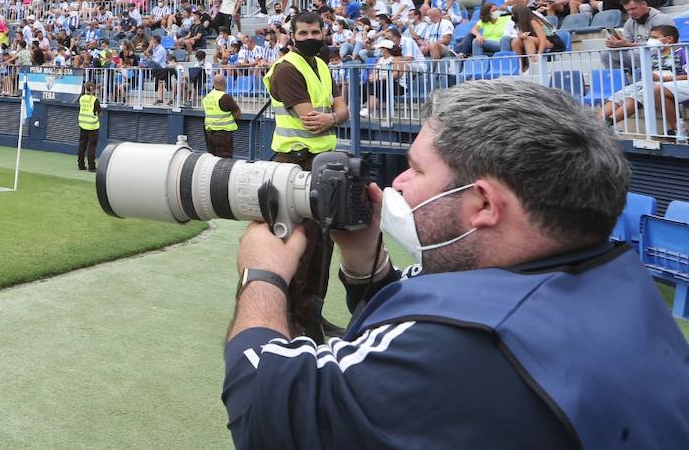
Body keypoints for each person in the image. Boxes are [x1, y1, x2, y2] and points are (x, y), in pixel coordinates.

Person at [223, 78, 689, 449]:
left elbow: (269, 408)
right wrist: (363, 259)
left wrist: (262, 275)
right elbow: (433, 307)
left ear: (484, 204)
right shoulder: (612, 278)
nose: (400, 181)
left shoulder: (465, 346)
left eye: (417, 168)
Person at [261, 11, 348, 342]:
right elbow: (311, 119)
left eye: (316, 32)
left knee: (322, 243)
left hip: (321, 163)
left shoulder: (322, 66)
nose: (311, 37)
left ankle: (312, 317)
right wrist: (334, 116)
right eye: (305, 32)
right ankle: (293, 322)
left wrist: (333, 116)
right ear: (292, 35)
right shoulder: (286, 70)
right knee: (302, 244)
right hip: (296, 164)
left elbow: (342, 110)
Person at [201, 73, 241, 159]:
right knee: (224, 161)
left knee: (211, 160)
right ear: (225, 83)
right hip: (223, 135)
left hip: (209, 134)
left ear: (213, 84)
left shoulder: (207, 97)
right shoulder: (225, 97)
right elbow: (237, 113)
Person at [77, 82, 101, 171]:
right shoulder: (95, 99)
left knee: (82, 145)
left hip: (82, 124)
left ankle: (81, 165)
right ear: (93, 89)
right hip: (92, 126)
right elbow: (99, 112)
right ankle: (91, 166)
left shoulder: (81, 98)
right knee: (92, 146)